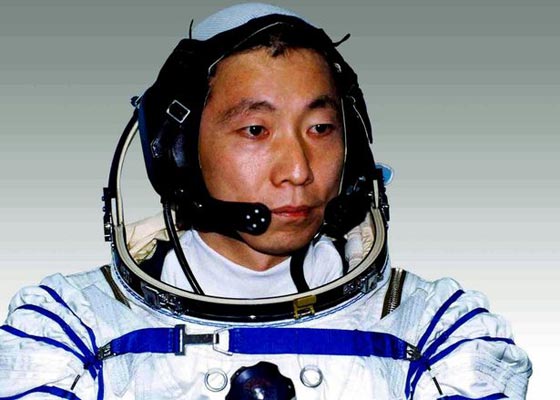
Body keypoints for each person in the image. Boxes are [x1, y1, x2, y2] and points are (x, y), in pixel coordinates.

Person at [0, 3, 531, 399]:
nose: (298, 170)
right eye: (256, 130)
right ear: (177, 152)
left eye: (321, 128)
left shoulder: (439, 332)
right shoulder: (68, 328)